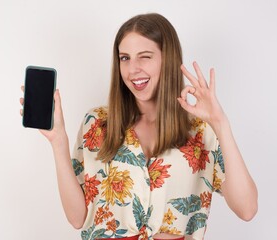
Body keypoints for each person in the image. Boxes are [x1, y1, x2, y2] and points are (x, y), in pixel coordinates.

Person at [20, 13, 257, 240]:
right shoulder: (97, 124)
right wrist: (58, 142)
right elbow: (76, 218)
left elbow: (247, 209)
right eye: (125, 58)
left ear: (168, 59)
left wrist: (220, 123)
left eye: (145, 56)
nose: (133, 69)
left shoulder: (200, 131)